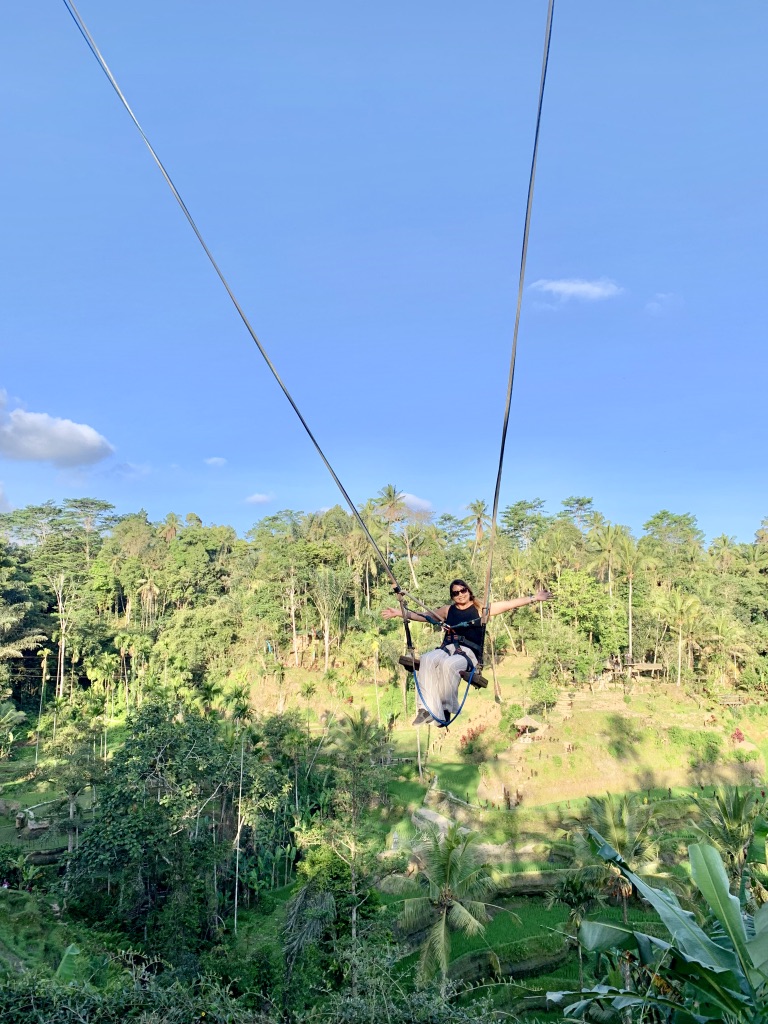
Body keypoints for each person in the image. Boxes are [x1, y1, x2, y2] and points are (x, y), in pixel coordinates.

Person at [382, 579, 552, 726]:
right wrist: (399, 613)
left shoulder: (481, 610)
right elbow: (424, 615)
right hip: (446, 648)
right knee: (426, 659)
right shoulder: (448, 610)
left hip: (467, 653)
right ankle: (425, 709)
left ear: (469, 591)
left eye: (463, 590)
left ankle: (446, 707)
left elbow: (508, 604)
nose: (460, 595)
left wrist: (534, 598)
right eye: (456, 593)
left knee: (449, 665)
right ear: (452, 596)